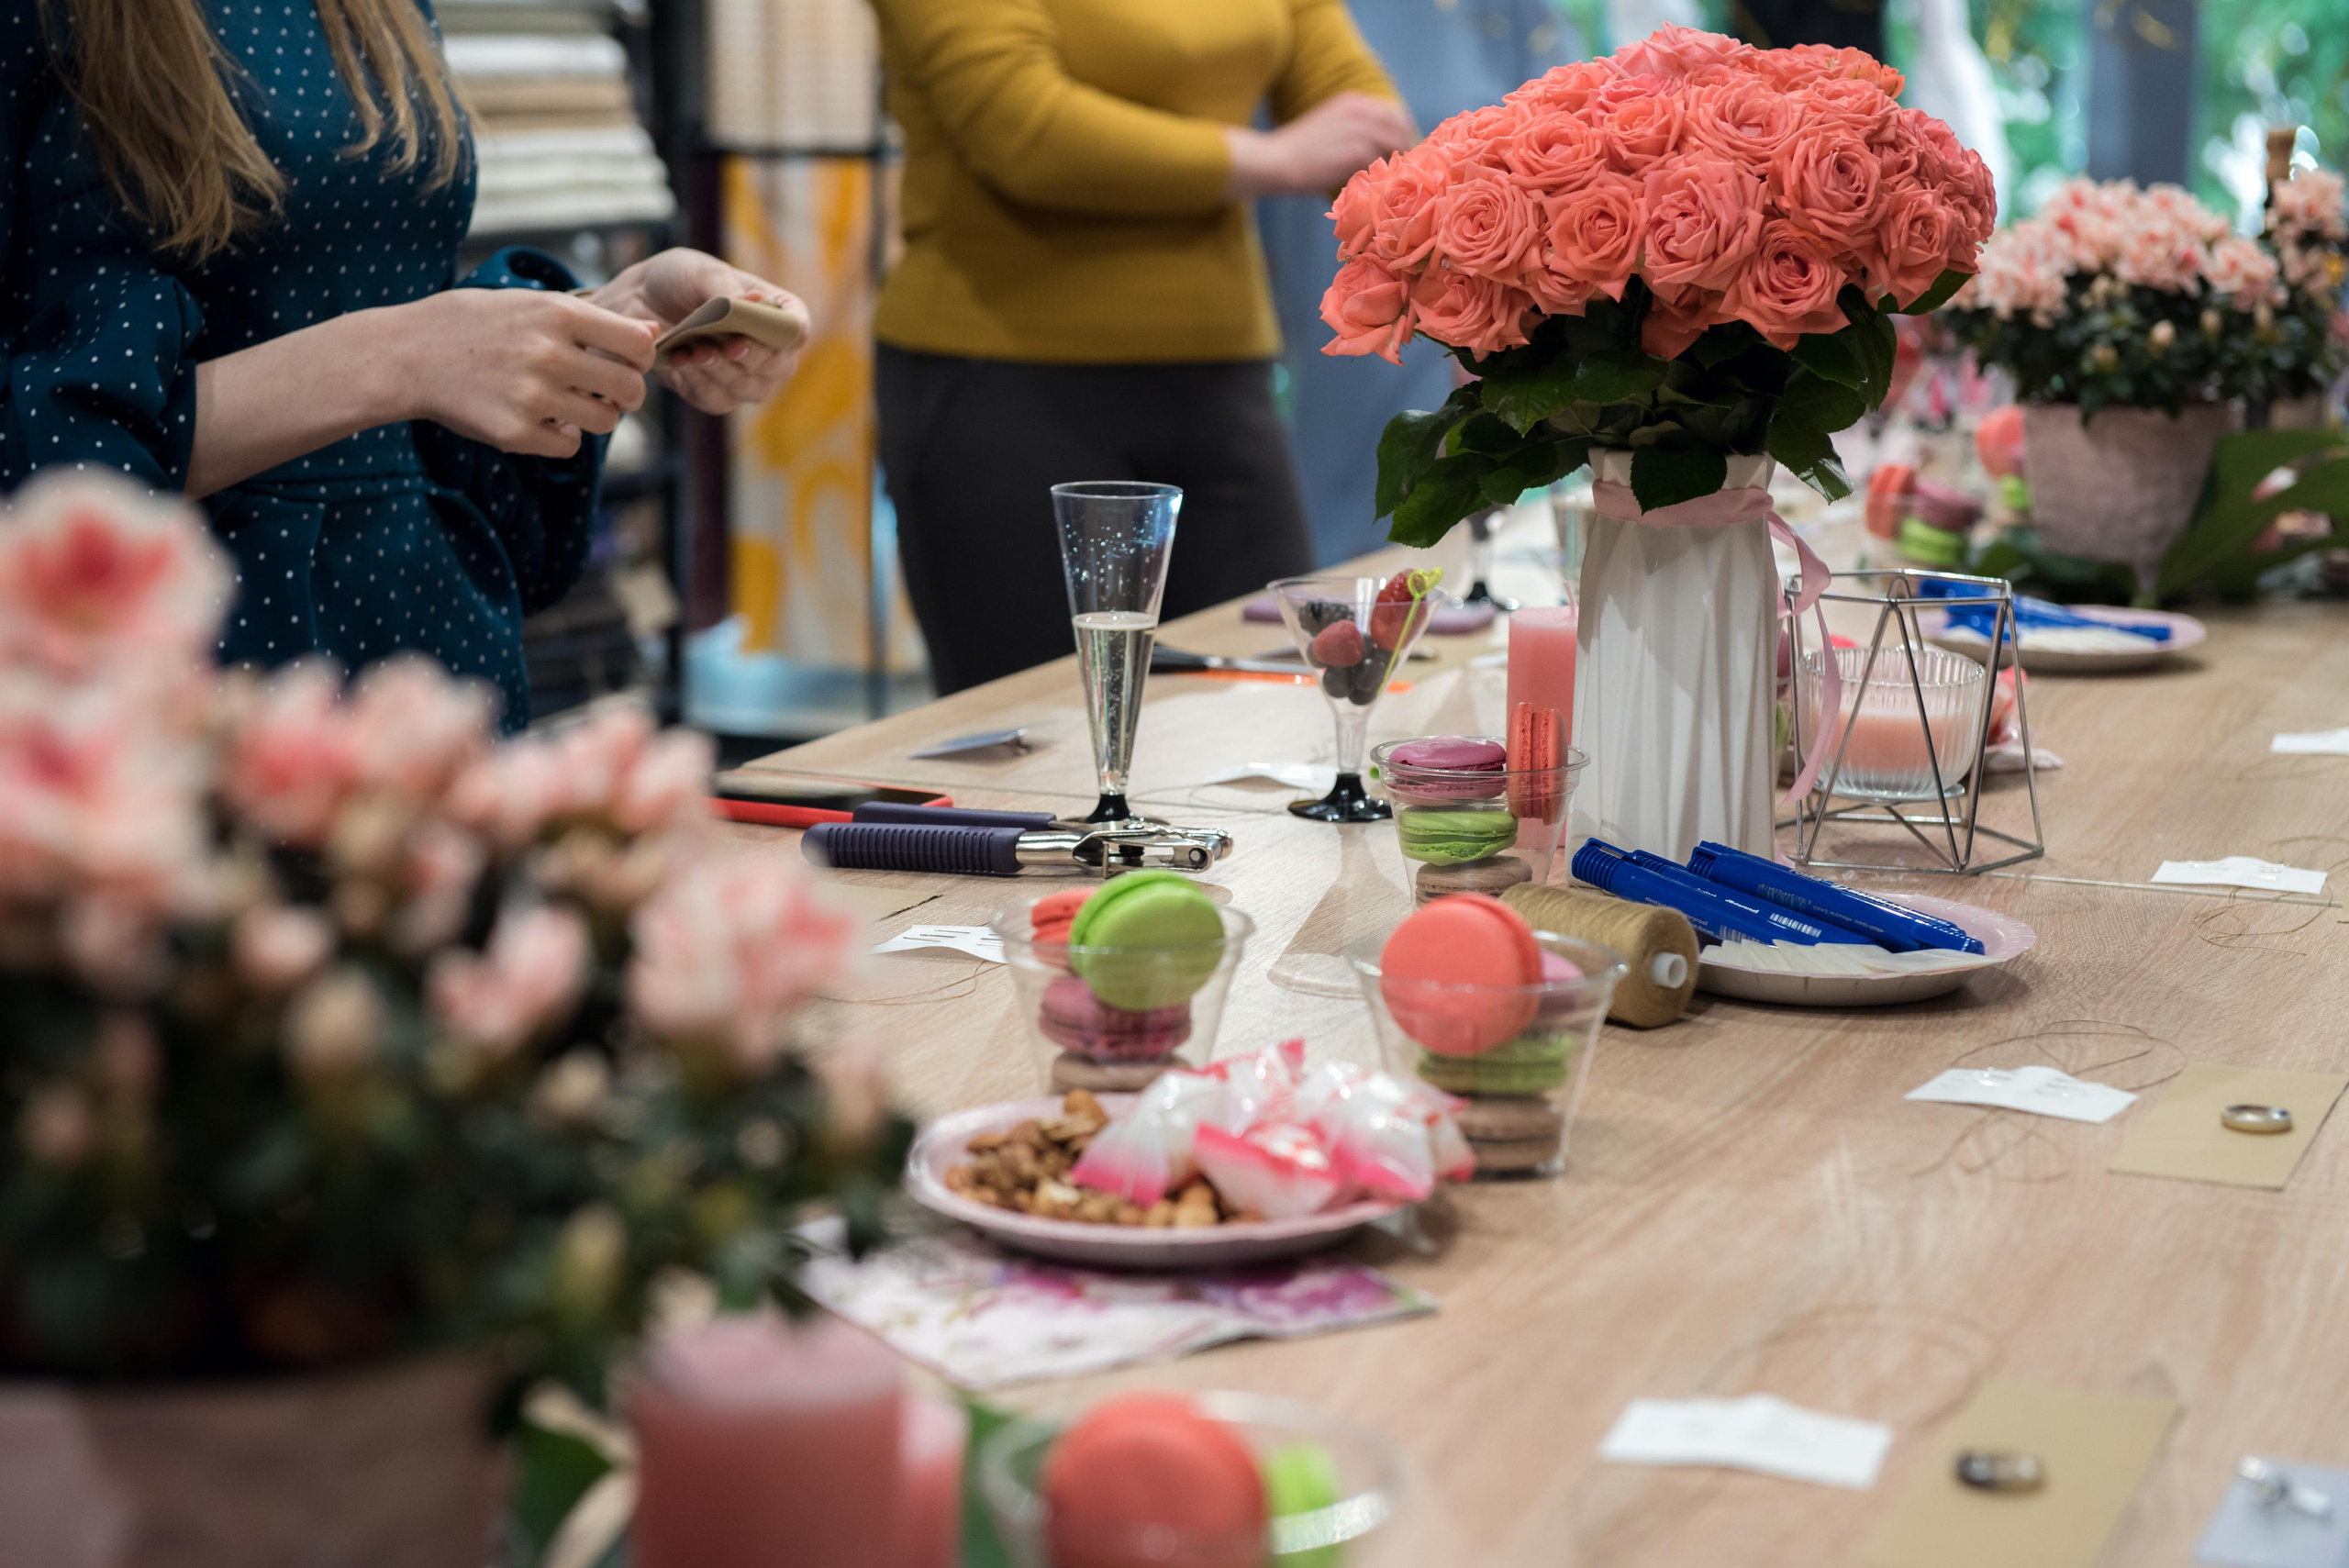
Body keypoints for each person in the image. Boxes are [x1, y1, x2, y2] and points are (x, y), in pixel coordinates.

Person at [0, 0, 805, 727]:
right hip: (196, 674)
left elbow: (369, 306)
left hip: (427, 650)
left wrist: (604, 317)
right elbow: (39, 458)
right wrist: (404, 356)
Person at [867, 0, 1415, 695]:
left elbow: (1360, 114)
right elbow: (1025, 132)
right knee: (1041, 726)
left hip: (1219, 379)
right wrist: (1278, 159)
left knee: (1274, 702)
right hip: (1000, 381)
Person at [1259, 0, 1576, 564]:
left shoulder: (1506, 14)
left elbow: (1563, 138)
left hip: (1481, 290)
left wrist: (1506, 301)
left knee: (1478, 491)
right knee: (1362, 507)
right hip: (1342, 298)